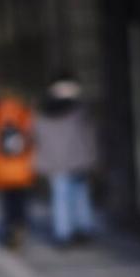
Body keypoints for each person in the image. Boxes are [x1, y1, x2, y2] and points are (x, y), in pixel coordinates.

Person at [36, 76, 98, 246]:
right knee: (80, 196)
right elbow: (88, 136)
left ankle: (63, 233)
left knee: (60, 199)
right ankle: (83, 229)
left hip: (55, 162)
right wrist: (92, 156)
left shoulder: (44, 111)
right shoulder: (79, 110)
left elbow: (38, 137)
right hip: (77, 159)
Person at [0, 90, 36, 249]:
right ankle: (20, 226)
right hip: (22, 169)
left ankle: (9, 228)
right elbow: (33, 140)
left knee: (6, 203)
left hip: (1, 170)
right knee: (21, 201)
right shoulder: (24, 115)